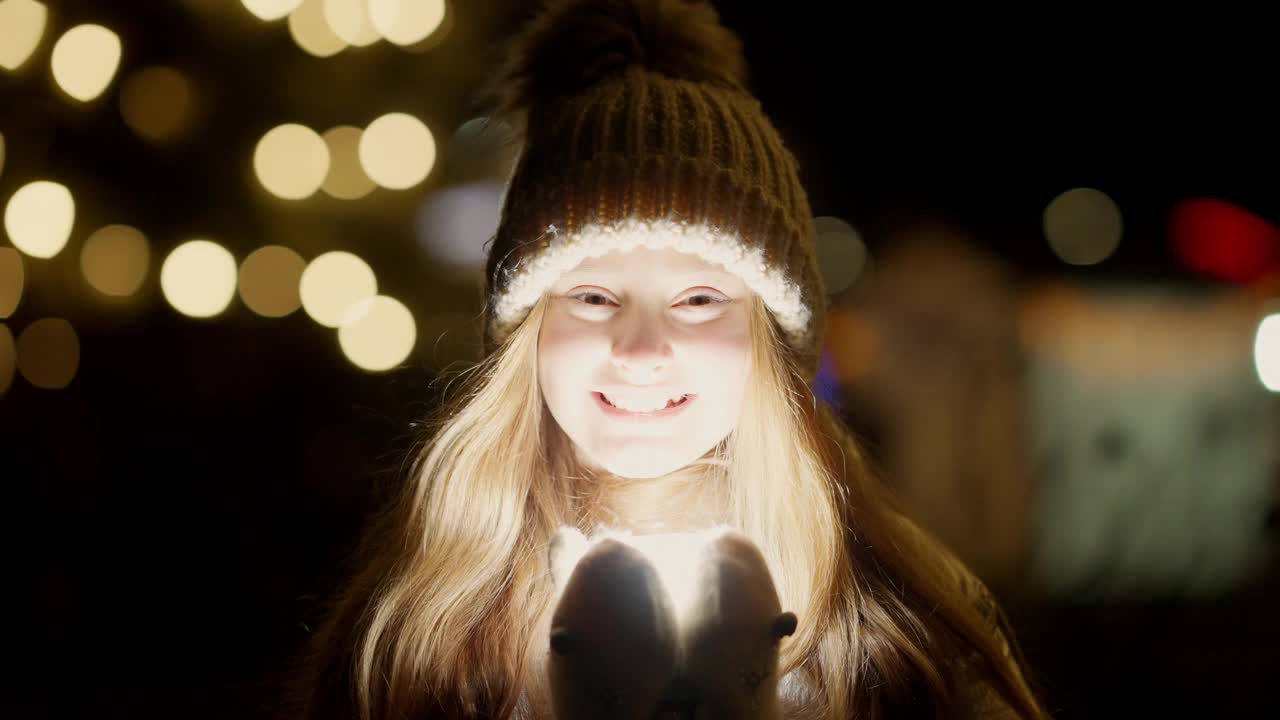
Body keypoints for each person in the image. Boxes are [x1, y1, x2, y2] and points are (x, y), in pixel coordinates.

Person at [295, 1, 1050, 718]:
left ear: (767, 333)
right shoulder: (428, 620)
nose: (641, 350)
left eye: (698, 300)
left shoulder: (894, 613)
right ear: (526, 331)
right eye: (592, 297)